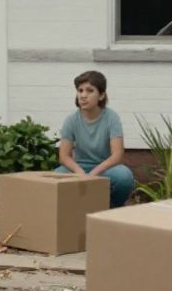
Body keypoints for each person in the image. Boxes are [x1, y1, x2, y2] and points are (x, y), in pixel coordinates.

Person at [55, 70, 136, 207]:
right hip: (79, 167)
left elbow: (117, 155)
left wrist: (93, 174)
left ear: (101, 95)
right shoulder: (71, 120)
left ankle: (112, 209)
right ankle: (70, 212)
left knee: (125, 177)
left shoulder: (112, 118)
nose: (83, 95)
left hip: (106, 169)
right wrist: (79, 172)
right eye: (80, 90)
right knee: (56, 177)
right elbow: (63, 156)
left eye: (90, 91)